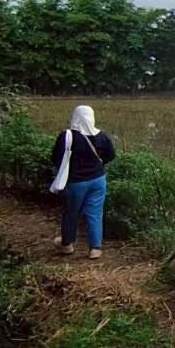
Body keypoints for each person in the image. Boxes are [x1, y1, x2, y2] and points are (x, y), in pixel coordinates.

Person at [49, 105, 116, 260]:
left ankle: (67, 244)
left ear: (75, 117)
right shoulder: (101, 136)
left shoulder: (67, 136)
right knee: (95, 213)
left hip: (75, 182)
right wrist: (98, 165)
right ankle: (95, 248)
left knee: (71, 211)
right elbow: (111, 155)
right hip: (98, 180)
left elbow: (55, 158)